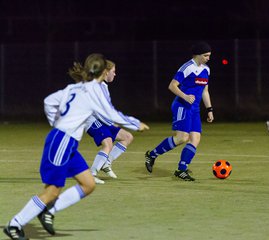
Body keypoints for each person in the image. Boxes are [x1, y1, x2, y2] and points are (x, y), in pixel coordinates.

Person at [3, 53, 142, 240]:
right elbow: (111, 114)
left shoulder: (75, 87)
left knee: (88, 184)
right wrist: (135, 124)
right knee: (51, 190)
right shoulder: (94, 92)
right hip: (62, 141)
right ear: (103, 72)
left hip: (67, 143)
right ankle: (15, 225)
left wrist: (56, 122)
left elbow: (48, 102)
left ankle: (49, 212)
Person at [144, 41, 214, 181]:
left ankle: (181, 170)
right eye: (206, 55)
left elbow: (205, 91)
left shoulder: (206, 69)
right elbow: (172, 86)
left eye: (209, 55)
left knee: (195, 139)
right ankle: (151, 155)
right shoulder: (187, 67)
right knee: (182, 138)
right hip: (182, 106)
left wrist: (209, 109)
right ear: (198, 55)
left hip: (194, 109)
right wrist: (185, 96)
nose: (208, 58)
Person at [84, 60, 149, 184]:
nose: (115, 74)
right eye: (113, 71)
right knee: (108, 144)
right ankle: (92, 174)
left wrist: (112, 120)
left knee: (127, 137)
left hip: (103, 120)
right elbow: (98, 111)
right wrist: (112, 121)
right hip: (92, 120)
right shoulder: (95, 87)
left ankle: (106, 163)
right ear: (105, 72)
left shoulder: (103, 86)